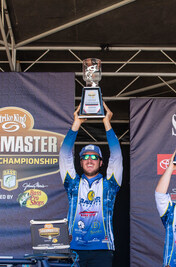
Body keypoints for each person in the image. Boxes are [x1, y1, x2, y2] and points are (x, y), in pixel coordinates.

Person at [59, 102, 123, 267]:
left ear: (101, 162)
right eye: (85, 157)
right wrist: (76, 124)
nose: (89, 160)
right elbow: (65, 155)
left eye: (94, 157)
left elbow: (116, 156)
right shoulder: (73, 185)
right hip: (74, 249)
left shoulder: (110, 186)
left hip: (102, 248)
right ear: (80, 162)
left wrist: (107, 122)